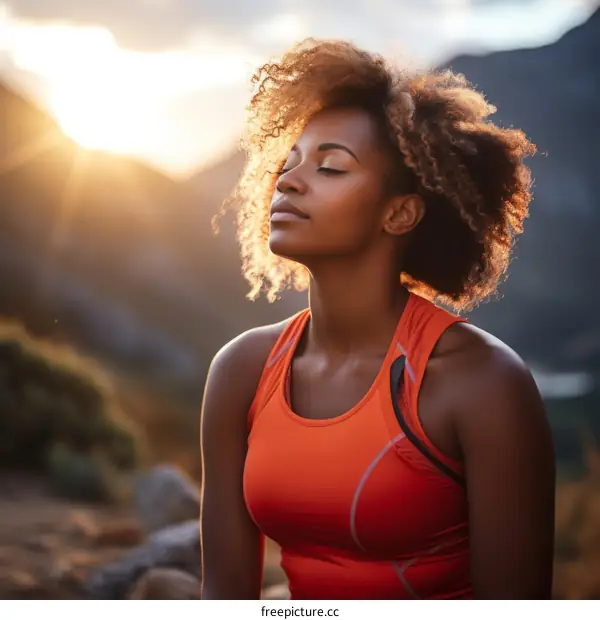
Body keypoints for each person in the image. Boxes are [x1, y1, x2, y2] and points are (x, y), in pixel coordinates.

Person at [199, 38, 556, 600]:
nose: (287, 181)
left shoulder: (481, 382)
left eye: (331, 167)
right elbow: (224, 597)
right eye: (288, 163)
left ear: (399, 213)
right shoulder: (241, 369)